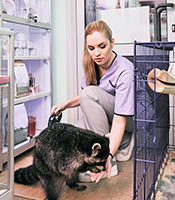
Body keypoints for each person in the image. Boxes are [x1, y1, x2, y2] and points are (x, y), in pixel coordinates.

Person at [50, 20, 134, 183]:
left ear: (112, 43)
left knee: (88, 95)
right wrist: (65, 105)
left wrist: (108, 156)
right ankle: (121, 141)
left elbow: (119, 119)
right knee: (77, 130)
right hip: (114, 114)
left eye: (102, 46)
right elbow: (89, 98)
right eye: (91, 48)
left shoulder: (125, 71)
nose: (96, 53)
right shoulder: (93, 64)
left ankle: (108, 161)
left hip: (132, 119)